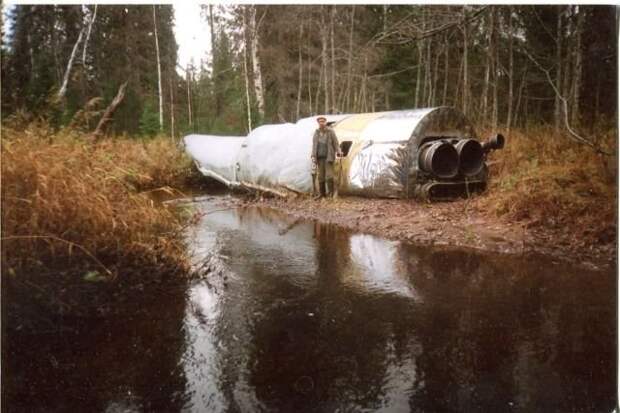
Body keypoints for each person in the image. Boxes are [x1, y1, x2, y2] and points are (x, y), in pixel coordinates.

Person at [311, 116, 341, 199]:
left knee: (329, 176)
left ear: (325, 122)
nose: (321, 123)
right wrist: (313, 155)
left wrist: (339, 151)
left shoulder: (330, 132)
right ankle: (322, 194)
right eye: (320, 121)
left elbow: (336, 143)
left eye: (323, 121)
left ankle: (331, 193)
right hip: (319, 158)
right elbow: (314, 145)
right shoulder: (316, 132)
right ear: (318, 123)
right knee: (321, 176)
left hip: (328, 157)